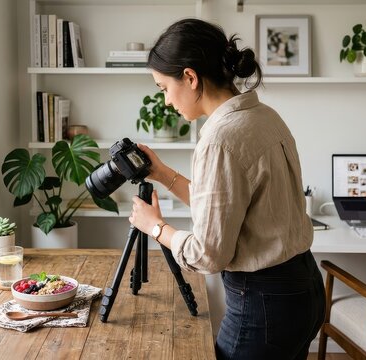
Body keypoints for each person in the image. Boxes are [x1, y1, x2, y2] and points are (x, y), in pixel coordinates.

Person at [128, 18, 325, 359]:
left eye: (163, 88)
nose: (165, 101)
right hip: (304, 290)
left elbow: (209, 255)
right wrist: (162, 173)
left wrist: (156, 228)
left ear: (190, 77)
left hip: (264, 307)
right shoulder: (264, 116)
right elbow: (227, 208)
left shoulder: (220, 139)